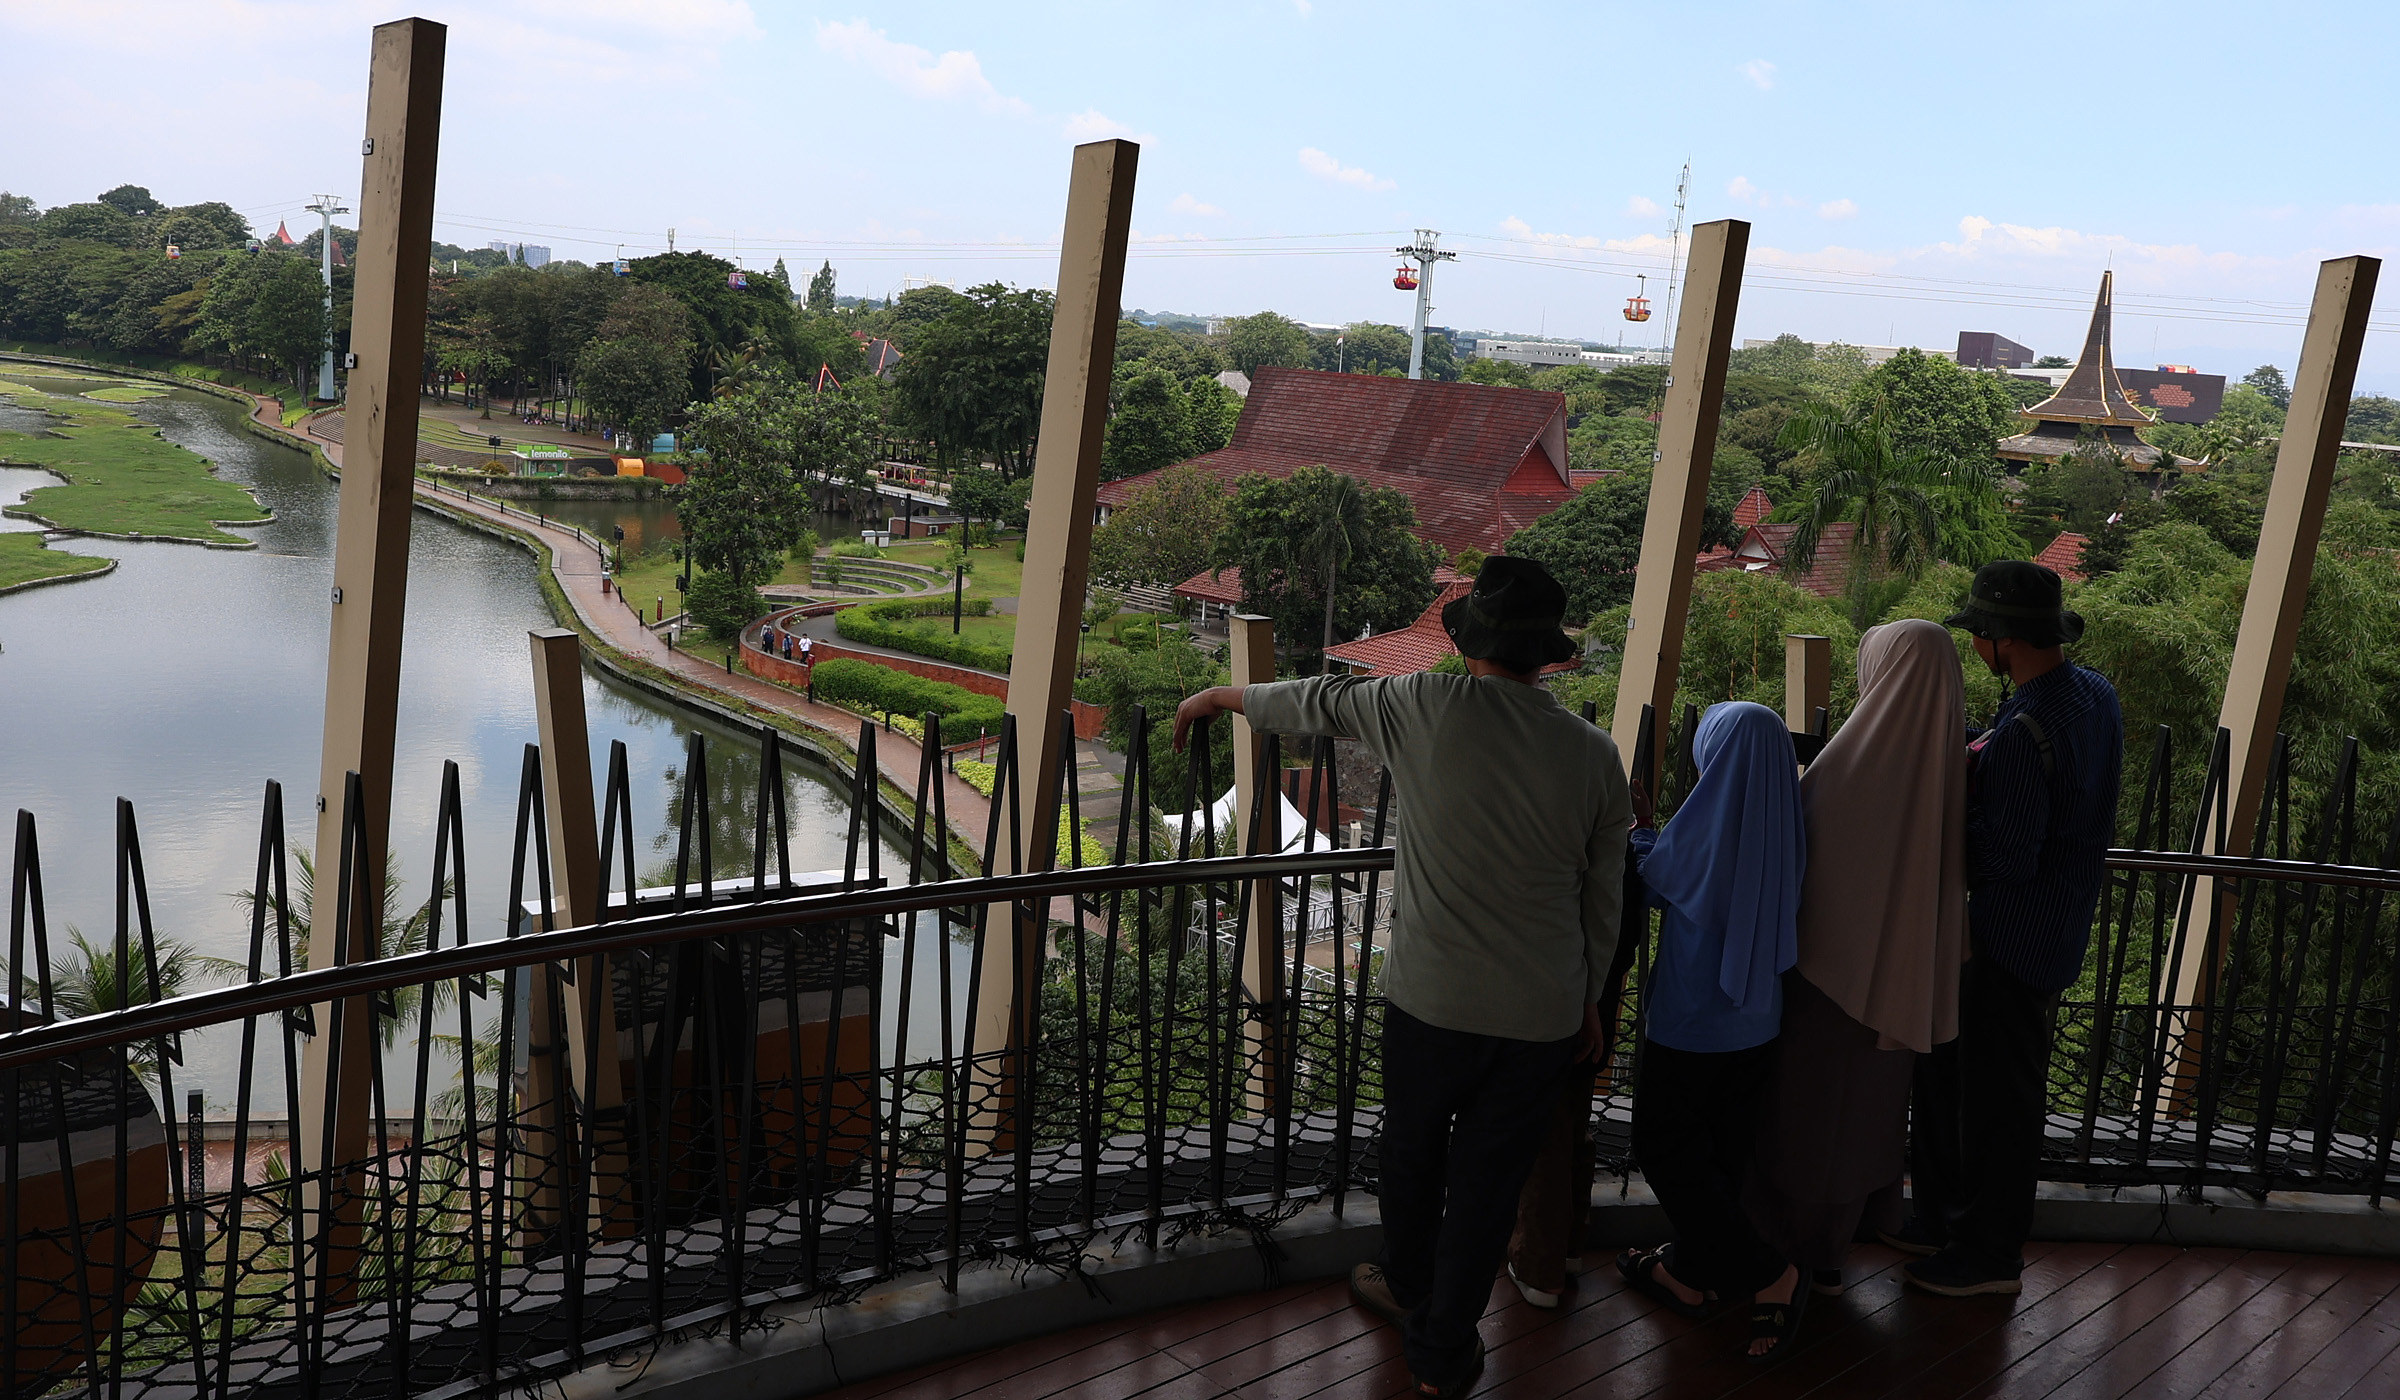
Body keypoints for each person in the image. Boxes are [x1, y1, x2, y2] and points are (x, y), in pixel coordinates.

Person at [1172, 556, 1628, 1400]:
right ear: (1548, 657)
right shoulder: (1594, 755)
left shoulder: (1418, 706)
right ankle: (1444, 1351)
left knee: (1415, 1155)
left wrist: (1216, 698)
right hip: (1542, 1014)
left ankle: (1408, 1283)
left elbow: (1309, 701)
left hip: (1431, 1002)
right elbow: (1605, 900)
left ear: (1469, 646)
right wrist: (1594, 998)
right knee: (1490, 1186)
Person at [1899, 561, 2123, 1296]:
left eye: (1979, 637)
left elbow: (2007, 856)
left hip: (2005, 939)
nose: (1975, 649)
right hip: (2058, 926)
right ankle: (1944, 1222)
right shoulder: (2094, 697)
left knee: (1995, 1106)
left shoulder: (2025, 728)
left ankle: (1987, 1256)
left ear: (2001, 642)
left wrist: (1951, 811)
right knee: (1991, 1088)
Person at [1745, 620, 1966, 1297]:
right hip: (1901, 986)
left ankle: (1789, 1257)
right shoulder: (1945, 766)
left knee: (1810, 1119)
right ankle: (1834, 1249)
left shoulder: (1851, 767)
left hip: (1828, 984)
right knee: (1865, 1118)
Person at [1615, 701, 1810, 1361]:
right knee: (1721, 1159)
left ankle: (1769, 1272)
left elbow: (1656, 878)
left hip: (1693, 1021)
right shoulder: (1787, 818)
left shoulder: (1708, 819)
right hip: (1758, 1019)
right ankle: (1689, 1276)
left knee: (1664, 1145)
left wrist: (1641, 829)